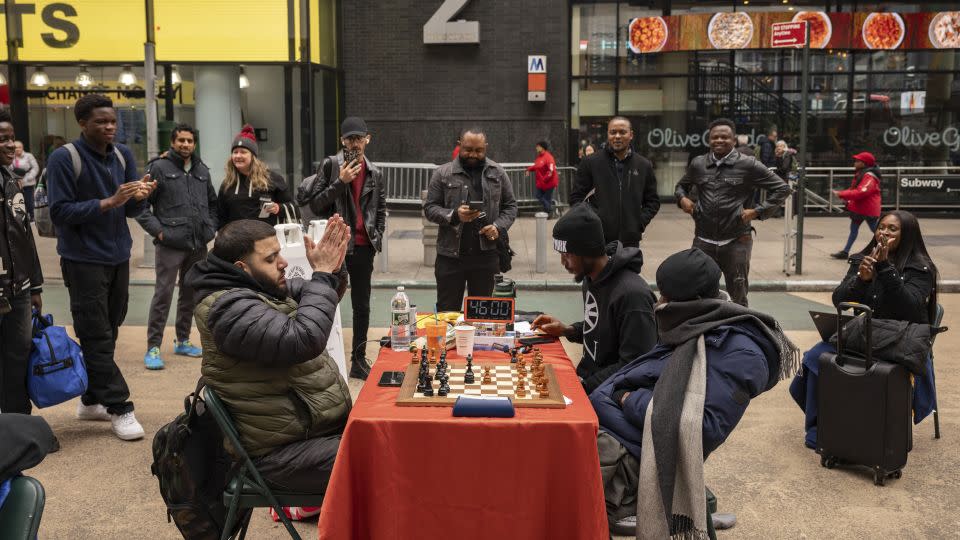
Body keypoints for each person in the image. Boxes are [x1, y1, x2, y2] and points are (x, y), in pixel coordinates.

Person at [591, 248, 797, 537]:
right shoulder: (696, 323)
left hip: (631, 456)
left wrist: (627, 398)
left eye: (667, 297)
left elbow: (700, 427)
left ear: (694, 301)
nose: (660, 304)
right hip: (618, 433)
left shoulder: (741, 353)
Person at [184, 217, 351, 493]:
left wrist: (330, 270)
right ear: (242, 267)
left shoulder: (259, 288)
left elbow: (315, 297)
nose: (283, 263)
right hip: (277, 455)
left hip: (310, 435)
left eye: (280, 253)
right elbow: (305, 338)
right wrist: (321, 274)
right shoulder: (229, 311)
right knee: (383, 456)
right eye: (271, 258)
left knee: (393, 434)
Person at [47, 93, 156, 441]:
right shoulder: (65, 158)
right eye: (101, 122)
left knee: (110, 328)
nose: (110, 127)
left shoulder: (123, 155)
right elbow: (59, 212)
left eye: (113, 121)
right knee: (95, 333)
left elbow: (129, 212)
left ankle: (91, 398)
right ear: (82, 123)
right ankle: (119, 406)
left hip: (117, 255)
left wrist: (138, 198)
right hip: (82, 259)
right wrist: (109, 201)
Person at [790, 210, 938, 449]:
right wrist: (862, 279)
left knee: (881, 373)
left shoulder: (920, 269)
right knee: (815, 358)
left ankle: (883, 430)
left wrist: (886, 269)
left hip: (901, 341)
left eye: (892, 229)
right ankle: (819, 426)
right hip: (865, 335)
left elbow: (911, 308)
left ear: (907, 234)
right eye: (881, 227)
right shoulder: (862, 259)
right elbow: (839, 300)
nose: (884, 233)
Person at [531, 204, 656, 394]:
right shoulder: (590, 279)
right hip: (591, 382)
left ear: (587, 251)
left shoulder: (632, 296)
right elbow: (601, 330)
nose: (563, 263)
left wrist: (583, 388)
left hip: (613, 395)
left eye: (567, 255)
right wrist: (568, 330)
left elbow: (635, 364)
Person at [298, 117, 386, 380]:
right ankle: (321, 358)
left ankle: (358, 360)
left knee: (362, 305)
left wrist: (376, 235)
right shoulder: (330, 165)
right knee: (326, 300)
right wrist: (341, 182)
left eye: (359, 138)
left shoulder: (375, 173)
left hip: (362, 246)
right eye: (349, 139)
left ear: (367, 140)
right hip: (335, 245)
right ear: (342, 140)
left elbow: (379, 209)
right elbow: (315, 205)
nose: (354, 144)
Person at [674, 118, 791, 307]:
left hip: (737, 242)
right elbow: (681, 186)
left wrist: (757, 212)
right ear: (709, 139)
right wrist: (683, 199)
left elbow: (782, 188)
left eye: (724, 137)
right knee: (698, 294)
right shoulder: (698, 164)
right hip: (703, 241)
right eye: (715, 137)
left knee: (738, 297)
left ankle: (738, 332)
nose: (719, 140)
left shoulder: (748, 165)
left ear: (734, 140)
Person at [136, 123, 218, 370]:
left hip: (197, 244)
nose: (185, 144)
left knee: (190, 294)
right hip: (170, 243)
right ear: (172, 142)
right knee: (163, 294)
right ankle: (153, 346)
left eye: (189, 141)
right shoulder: (158, 168)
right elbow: (140, 207)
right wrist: (159, 231)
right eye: (181, 140)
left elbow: (213, 204)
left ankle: (183, 340)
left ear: (194, 144)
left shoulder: (202, 170)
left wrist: (210, 228)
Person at [423, 127, 517, 312]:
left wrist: (497, 227)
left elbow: (511, 206)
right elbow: (430, 208)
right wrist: (454, 215)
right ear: (459, 145)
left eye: (478, 150)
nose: (473, 154)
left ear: (486, 147)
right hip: (450, 257)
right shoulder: (443, 173)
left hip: (486, 256)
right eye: (468, 149)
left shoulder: (497, 172)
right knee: (447, 315)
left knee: (482, 317)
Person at [0, 110, 44, 415]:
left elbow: (25, 237)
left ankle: (20, 428)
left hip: (19, 287)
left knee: (18, 356)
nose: (12, 145)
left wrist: (36, 285)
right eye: (3, 139)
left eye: (12, 137)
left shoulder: (11, 182)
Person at [570, 117, 660, 247]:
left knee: (629, 268)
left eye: (622, 132)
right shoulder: (590, 163)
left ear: (631, 135)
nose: (617, 136)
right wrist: (592, 221)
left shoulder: (643, 165)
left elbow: (653, 201)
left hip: (630, 242)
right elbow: (576, 198)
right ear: (608, 134)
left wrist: (638, 222)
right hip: (598, 240)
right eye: (613, 132)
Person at [217, 124, 298, 228]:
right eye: (235, 152)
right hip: (236, 241)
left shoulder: (272, 178)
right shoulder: (227, 183)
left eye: (243, 152)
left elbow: (293, 207)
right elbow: (221, 216)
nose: (238, 156)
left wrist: (278, 208)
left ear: (253, 156)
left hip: (266, 240)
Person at [830, 151, 882, 260]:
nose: (855, 162)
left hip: (867, 209)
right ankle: (845, 252)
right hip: (861, 208)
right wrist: (843, 195)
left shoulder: (869, 176)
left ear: (864, 163)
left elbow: (861, 192)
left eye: (858, 161)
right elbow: (855, 190)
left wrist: (841, 194)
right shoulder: (862, 173)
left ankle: (890, 249)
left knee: (876, 231)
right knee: (854, 229)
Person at [526, 140, 559, 217]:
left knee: (546, 199)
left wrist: (545, 179)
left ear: (542, 147)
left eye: (538, 146)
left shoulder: (549, 157)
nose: (536, 148)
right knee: (540, 196)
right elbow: (536, 166)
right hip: (541, 183)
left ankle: (549, 212)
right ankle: (549, 212)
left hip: (549, 183)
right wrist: (529, 169)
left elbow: (551, 170)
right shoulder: (539, 157)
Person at [12, 141, 39, 221]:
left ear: (22, 147)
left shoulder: (28, 156)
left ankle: (32, 219)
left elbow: (36, 168)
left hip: (28, 183)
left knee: (29, 203)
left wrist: (28, 178)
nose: (17, 149)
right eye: (15, 147)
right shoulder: (11, 156)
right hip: (15, 184)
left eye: (19, 147)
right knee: (18, 203)